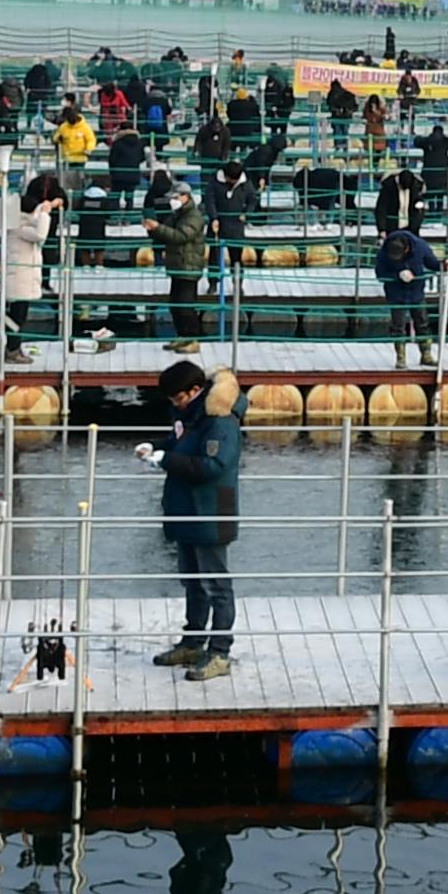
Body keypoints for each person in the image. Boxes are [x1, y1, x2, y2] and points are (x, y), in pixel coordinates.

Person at [146, 357, 245, 679]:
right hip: (185, 510)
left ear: (195, 390)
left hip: (211, 511)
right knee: (192, 582)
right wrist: (157, 448)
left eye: (178, 398)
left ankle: (220, 652)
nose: (175, 404)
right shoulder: (189, 416)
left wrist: (166, 460)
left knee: (217, 585)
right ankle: (193, 641)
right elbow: (179, 445)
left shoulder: (221, 421)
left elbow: (212, 467)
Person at [0, 172, 62, 363]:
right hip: (19, 276)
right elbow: (41, 234)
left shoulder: (18, 223)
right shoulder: (19, 227)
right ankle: (12, 350)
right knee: (17, 316)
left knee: (19, 314)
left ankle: (14, 348)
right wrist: (44, 214)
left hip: (21, 275)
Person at [144, 176, 210, 352]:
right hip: (177, 265)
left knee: (186, 306)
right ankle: (181, 337)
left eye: (175, 198)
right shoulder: (177, 215)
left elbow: (181, 236)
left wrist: (157, 227)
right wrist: (153, 228)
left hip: (189, 265)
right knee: (175, 304)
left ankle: (192, 339)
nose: (172, 201)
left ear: (185, 196)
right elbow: (166, 232)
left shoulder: (194, 216)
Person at [377, 220, 442, 369]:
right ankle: (401, 358)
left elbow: (432, 264)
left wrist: (445, 265)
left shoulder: (421, 246)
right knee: (397, 326)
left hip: (416, 292)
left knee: (422, 323)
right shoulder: (384, 251)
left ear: (406, 249)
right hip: (395, 293)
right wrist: (397, 275)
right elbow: (380, 274)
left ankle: (426, 355)